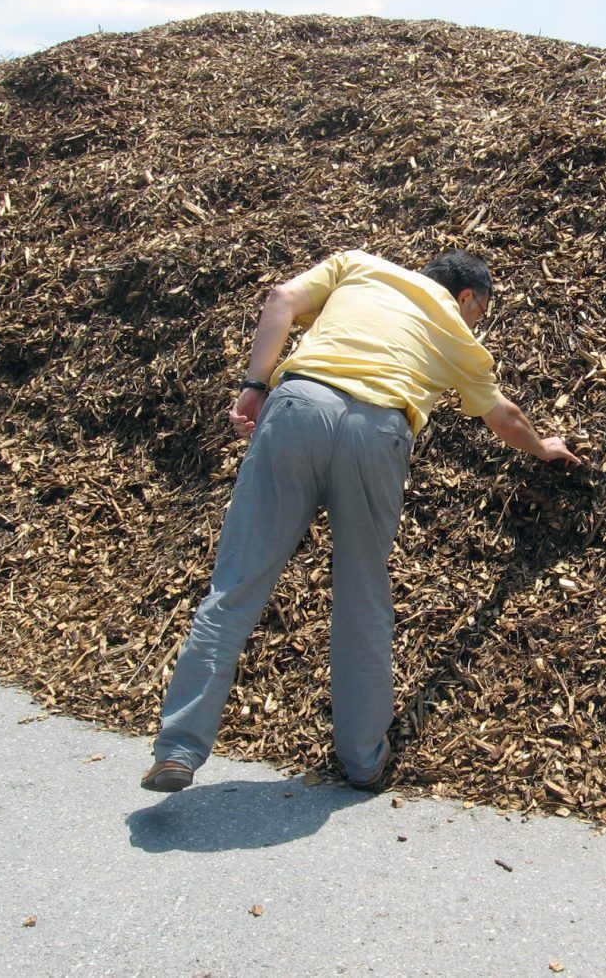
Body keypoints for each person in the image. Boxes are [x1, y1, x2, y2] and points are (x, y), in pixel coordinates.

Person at [140, 249, 580, 794]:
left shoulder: (359, 266)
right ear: (466, 296)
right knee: (362, 598)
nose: (477, 324)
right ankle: (363, 759)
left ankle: (178, 750)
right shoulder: (461, 338)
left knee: (236, 586)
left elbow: (280, 299)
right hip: (377, 433)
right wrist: (544, 448)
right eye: (480, 312)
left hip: (300, 407)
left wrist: (255, 386)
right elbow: (504, 418)